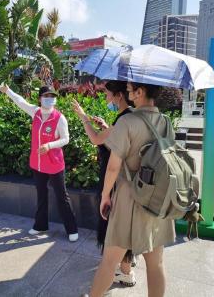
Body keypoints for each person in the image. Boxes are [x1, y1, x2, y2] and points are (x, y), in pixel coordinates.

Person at [88, 82, 176, 297]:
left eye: (130, 89)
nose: (127, 92)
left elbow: (113, 167)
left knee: (109, 262)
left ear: (140, 91)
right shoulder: (165, 122)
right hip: (158, 199)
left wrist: (105, 195)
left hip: (130, 198)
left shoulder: (128, 121)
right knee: (156, 265)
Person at [72, 80, 136, 287]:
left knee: (115, 227)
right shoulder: (131, 116)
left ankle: (124, 272)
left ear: (119, 95)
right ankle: (126, 270)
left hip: (117, 183)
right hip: (129, 182)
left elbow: (96, 139)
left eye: (108, 93)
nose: (106, 97)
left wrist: (83, 117)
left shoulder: (124, 119)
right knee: (124, 227)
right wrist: (108, 128)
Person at [0, 84, 79, 242]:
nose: (50, 99)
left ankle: (72, 228)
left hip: (54, 164)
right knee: (41, 195)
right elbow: (20, 102)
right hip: (38, 164)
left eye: (52, 97)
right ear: (40, 99)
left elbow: (66, 139)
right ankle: (40, 225)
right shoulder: (35, 112)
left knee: (62, 197)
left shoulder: (59, 118)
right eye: (46, 96)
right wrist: (8, 91)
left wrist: (49, 145)